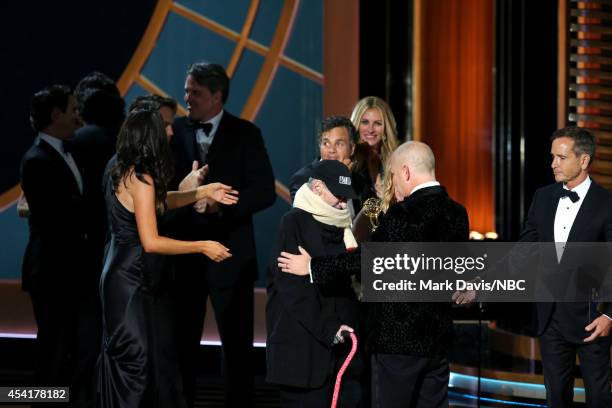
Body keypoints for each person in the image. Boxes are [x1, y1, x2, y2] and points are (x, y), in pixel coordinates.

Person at [278, 141, 469, 408]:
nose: (392, 184)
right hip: (438, 344)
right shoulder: (458, 214)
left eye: (392, 176)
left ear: (404, 173)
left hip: (396, 345)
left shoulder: (403, 214)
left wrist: (313, 266)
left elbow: (365, 259)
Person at [98, 108, 239, 408]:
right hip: (131, 279)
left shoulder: (123, 168)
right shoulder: (142, 177)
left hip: (118, 274)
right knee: (137, 366)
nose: (170, 134)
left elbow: (160, 203)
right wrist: (201, 245)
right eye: (164, 130)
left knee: (137, 362)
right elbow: (151, 242)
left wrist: (201, 191)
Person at [170, 62, 276, 407]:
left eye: (195, 93)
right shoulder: (175, 133)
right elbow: (162, 192)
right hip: (185, 256)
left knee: (237, 346)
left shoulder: (246, 133)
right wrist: (190, 200)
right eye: (187, 91)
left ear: (217, 96)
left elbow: (264, 191)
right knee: (182, 343)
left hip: (232, 258)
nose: (187, 99)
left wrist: (222, 206)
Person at [517, 127, 611, 407]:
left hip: (592, 320)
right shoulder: (543, 197)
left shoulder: (607, 204)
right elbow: (523, 252)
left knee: (598, 398)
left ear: (583, 161)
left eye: (561, 157)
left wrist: (610, 316)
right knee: (556, 398)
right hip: (551, 318)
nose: (553, 164)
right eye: (552, 157)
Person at [20, 84, 99, 406]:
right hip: (52, 273)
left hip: (72, 272)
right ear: (56, 115)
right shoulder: (37, 160)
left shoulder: (70, 152)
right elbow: (57, 219)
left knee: (70, 351)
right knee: (52, 353)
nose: (78, 117)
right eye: (72, 110)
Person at [267, 160, 361, 407]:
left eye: (346, 198)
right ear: (317, 188)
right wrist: (329, 328)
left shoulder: (344, 228)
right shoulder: (293, 223)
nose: (343, 204)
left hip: (341, 357)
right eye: (338, 196)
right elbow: (294, 292)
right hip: (303, 357)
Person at [288, 116, 358, 201]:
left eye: (339, 144)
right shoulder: (302, 180)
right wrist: (339, 177)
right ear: (319, 145)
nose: (332, 150)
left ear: (352, 149)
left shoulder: (359, 180)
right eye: (326, 143)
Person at [349, 97, 400, 212]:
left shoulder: (397, 162)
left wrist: (389, 201)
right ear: (356, 125)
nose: (370, 129)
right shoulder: (349, 160)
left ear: (386, 128)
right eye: (365, 122)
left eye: (377, 123)